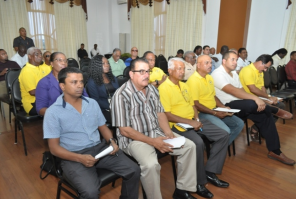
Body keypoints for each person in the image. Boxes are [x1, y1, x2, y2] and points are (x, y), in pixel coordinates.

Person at [43, 67, 140, 199]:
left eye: (81, 82)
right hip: (73, 156)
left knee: (134, 170)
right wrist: (80, 158)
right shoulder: (53, 112)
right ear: (62, 86)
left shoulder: (92, 103)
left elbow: (103, 127)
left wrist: (111, 141)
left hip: (99, 149)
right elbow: (53, 149)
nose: (79, 86)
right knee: (90, 192)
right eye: (74, 82)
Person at [111, 58, 198, 199]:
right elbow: (124, 130)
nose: (146, 75)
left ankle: (182, 189)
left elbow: (160, 113)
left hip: (156, 132)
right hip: (133, 139)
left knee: (189, 146)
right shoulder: (121, 95)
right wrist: (153, 142)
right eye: (141, 72)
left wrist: (168, 132)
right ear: (131, 74)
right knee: (151, 165)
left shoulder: (152, 89)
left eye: (148, 71)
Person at [159, 58, 230, 198]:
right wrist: (190, 122)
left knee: (223, 134)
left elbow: (192, 105)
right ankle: (198, 183)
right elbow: (167, 115)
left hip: (192, 121)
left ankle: (210, 171)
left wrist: (196, 119)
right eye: (179, 69)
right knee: (198, 143)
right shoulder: (163, 88)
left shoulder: (184, 85)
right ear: (170, 70)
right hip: (177, 125)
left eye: (183, 69)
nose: (182, 72)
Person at [211, 51, 295, 165]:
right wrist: (256, 99)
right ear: (224, 61)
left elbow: (241, 91)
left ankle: (275, 151)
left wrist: (261, 99)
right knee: (252, 104)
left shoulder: (234, 74)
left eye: (236, 60)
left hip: (242, 105)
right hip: (227, 105)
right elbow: (233, 91)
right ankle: (274, 110)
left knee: (265, 116)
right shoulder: (217, 73)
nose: (235, 62)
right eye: (232, 60)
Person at [186, 55, 244, 145]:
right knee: (226, 131)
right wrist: (215, 113)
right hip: (202, 113)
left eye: (210, 63)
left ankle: (219, 146)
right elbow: (195, 104)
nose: (210, 65)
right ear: (198, 65)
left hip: (213, 110)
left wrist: (223, 107)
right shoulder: (193, 80)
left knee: (239, 123)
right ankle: (219, 147)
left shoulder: (209, 77)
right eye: (206, 63)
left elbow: (213, 96)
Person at [86, 55, 119, 123]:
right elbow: (96, 100)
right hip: (103, 109)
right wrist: (111, 107)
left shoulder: (111, 77)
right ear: (96, 66)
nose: (106, 65)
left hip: (116, 105)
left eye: (107, 63)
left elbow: (118, 92)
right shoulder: (92, 82)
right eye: (103, 63)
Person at [19, 47, 47, 115]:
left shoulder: (41, 68)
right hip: (32, 103)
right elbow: (32, 92)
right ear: (29, 56)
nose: (40, 56)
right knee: (57, 109)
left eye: (41, 54)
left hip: (44, 99)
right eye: (37, 54)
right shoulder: (27, 71)